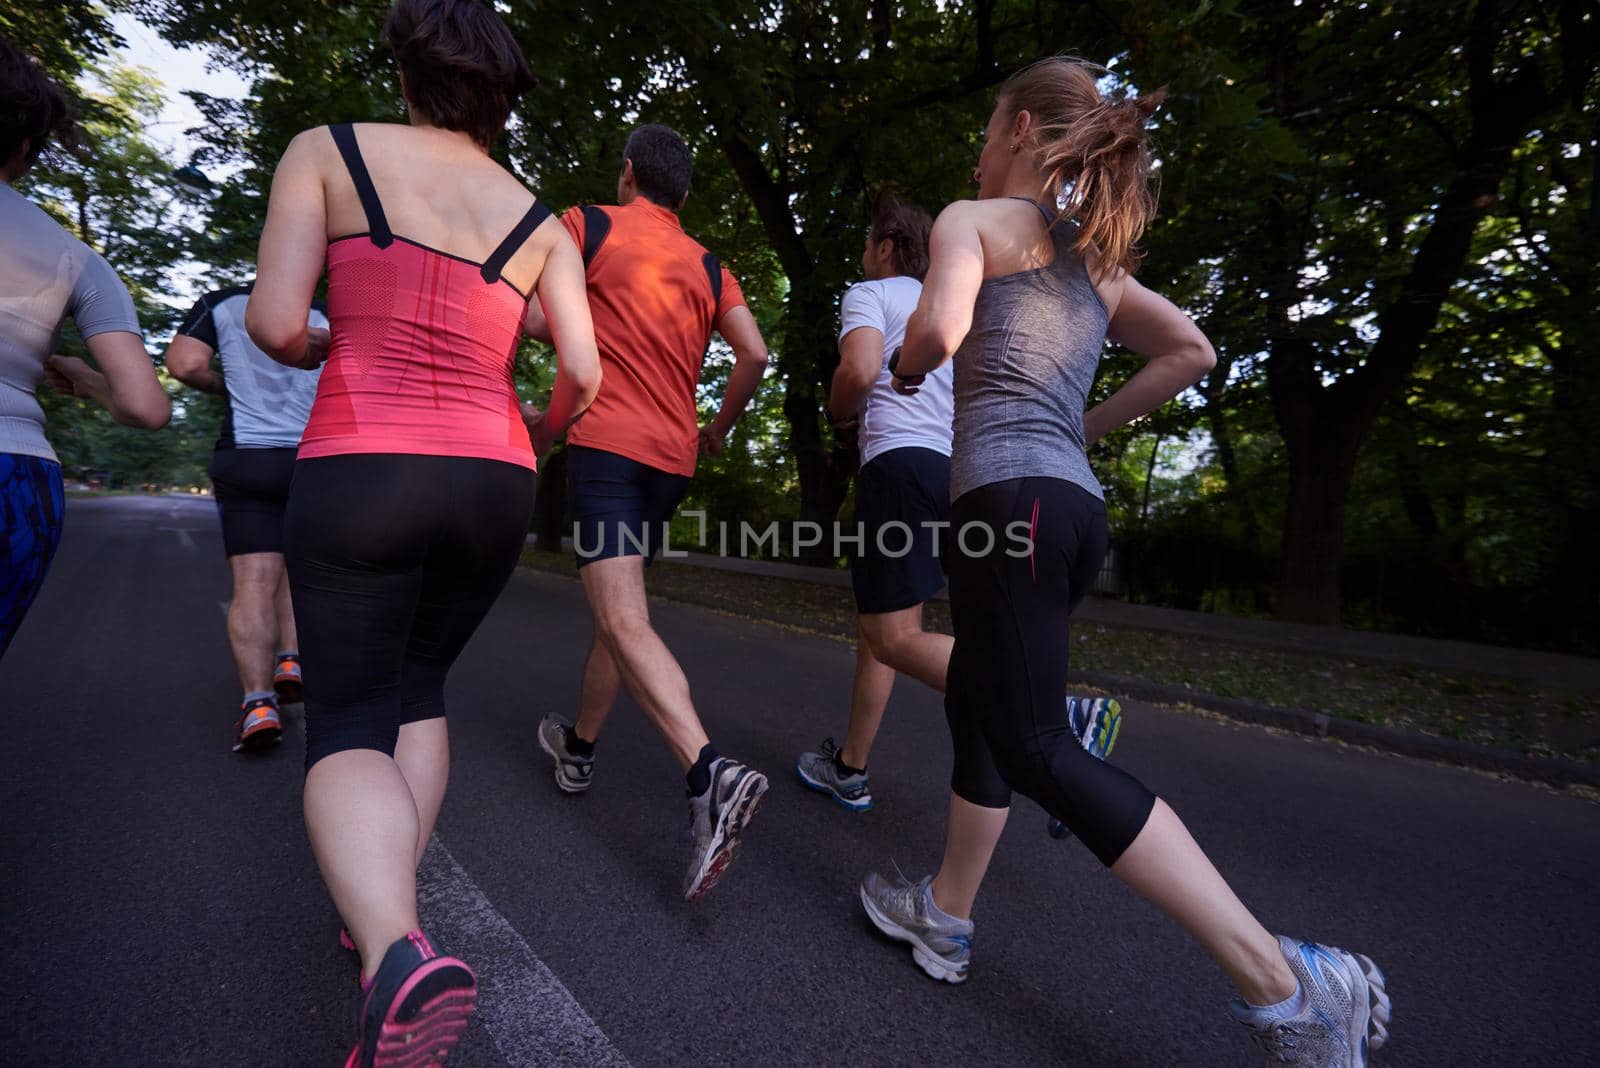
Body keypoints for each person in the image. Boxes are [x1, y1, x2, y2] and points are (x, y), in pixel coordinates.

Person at [856, 58, 1390, 1067]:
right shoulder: (1096, 265)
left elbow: (938, 327)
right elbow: (1189, 350)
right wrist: (1079, 429)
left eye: (985, 125)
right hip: (1063, 509)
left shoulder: (973, 221)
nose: (977, 145)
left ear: (1019, 129)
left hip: (1004, 504)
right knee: (984, 697)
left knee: (1038, 744)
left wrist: (910, 362)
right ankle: (945, 911)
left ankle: (1285, 982)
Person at [246, 2, 600, 1063]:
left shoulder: (327, 152)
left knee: (351, 711)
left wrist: (329, 344)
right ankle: (386, 927)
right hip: (494, 477)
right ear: (501, 94)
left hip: (363, 458)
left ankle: (394, 949)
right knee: (421, 687)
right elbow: (581, 375)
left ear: (407, 72)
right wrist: (527, 438)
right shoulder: (542, 222)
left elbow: (272, 322)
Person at [797, 192, 1123, 815]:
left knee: (891, 635)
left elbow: (860, 373)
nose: (865, 256)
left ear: (887, 248)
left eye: (869, 245)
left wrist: (839, 412)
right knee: (885, 628)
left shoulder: (872, 295)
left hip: (897, 469)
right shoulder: (959, 296)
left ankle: (1057, 714)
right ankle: (851, 767)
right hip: (960, 476)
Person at [529, 124, 772, 902]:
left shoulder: (586, 224)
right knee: (618, 613)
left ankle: (710, 773)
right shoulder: (708, 263)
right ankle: (580, 749)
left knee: (624, 620)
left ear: (628, 174)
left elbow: (534, 313)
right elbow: (757, 355)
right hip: (673, 459)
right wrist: (718, 429)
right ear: (686, 195)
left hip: (605, 448)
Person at [0, 35, 170, 661]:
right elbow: (148, 408)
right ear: (24, 142)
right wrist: (86, 378)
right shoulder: (76, 258)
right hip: (13, 474)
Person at [165, 281, 328, 751]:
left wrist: (225, 385)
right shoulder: (326, 314)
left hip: (246, 456)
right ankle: (292, 661)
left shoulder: (221, 303)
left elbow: (183, 364)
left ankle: (258, 705)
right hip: (311, 457)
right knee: (298, 574)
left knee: (253, 582)